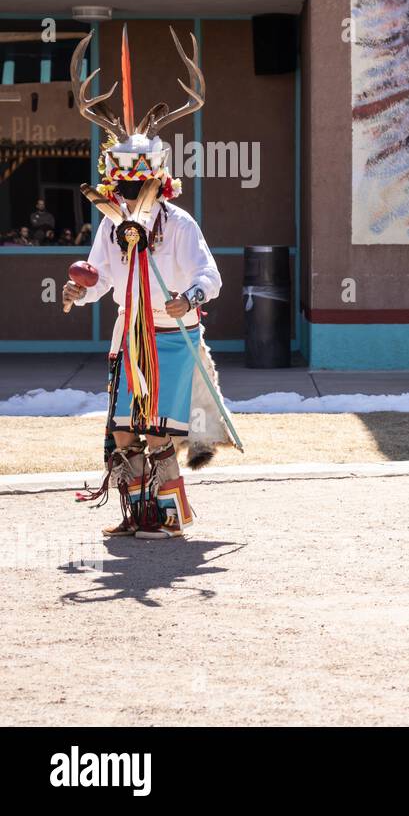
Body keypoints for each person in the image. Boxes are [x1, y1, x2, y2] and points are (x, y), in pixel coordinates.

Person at [63, 26, 239, 539]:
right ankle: (134, 514)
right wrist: (80, 290)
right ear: (114, 183)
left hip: (170, 339)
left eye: (139, 185)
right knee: (123, 433)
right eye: (124, 185)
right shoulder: (111, 224)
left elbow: (212, 275)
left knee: (158, 434)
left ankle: (164, 517)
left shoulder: (180, 225)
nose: (131, 194)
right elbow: (97, 277)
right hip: (129, 338)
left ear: (158, 182)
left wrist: (190, 298)